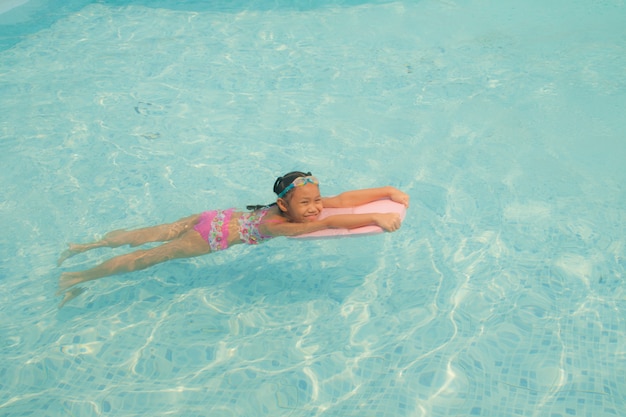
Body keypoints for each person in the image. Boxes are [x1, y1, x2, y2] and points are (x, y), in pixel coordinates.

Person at [56, 171, 409, 306]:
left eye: (317, 200)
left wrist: (387, 191)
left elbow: (343, 199)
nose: (317, 208)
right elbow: (324, 226)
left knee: (147, 236)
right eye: (307, 203)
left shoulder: (285, 207)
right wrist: (377, 216)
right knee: (149, 256)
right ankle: (78, 276)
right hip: (208, 238)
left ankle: (84, 247)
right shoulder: (281, 225)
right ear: (284, 205)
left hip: (216, 217)